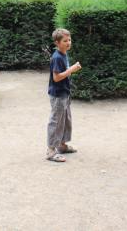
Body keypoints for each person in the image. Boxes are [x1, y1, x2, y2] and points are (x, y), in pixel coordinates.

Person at [46, 28, 82, 162]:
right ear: (57, 42)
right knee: (56, 121)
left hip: (64, 93)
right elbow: (56, 78)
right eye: (65, 41)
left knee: (66, 119)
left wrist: (70, 70)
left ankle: (62, 145)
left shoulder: (64, 54)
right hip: (58, 95)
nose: (68, 43)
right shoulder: (57, 57)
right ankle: (51, 150)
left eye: (69, 40)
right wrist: (71, 69)